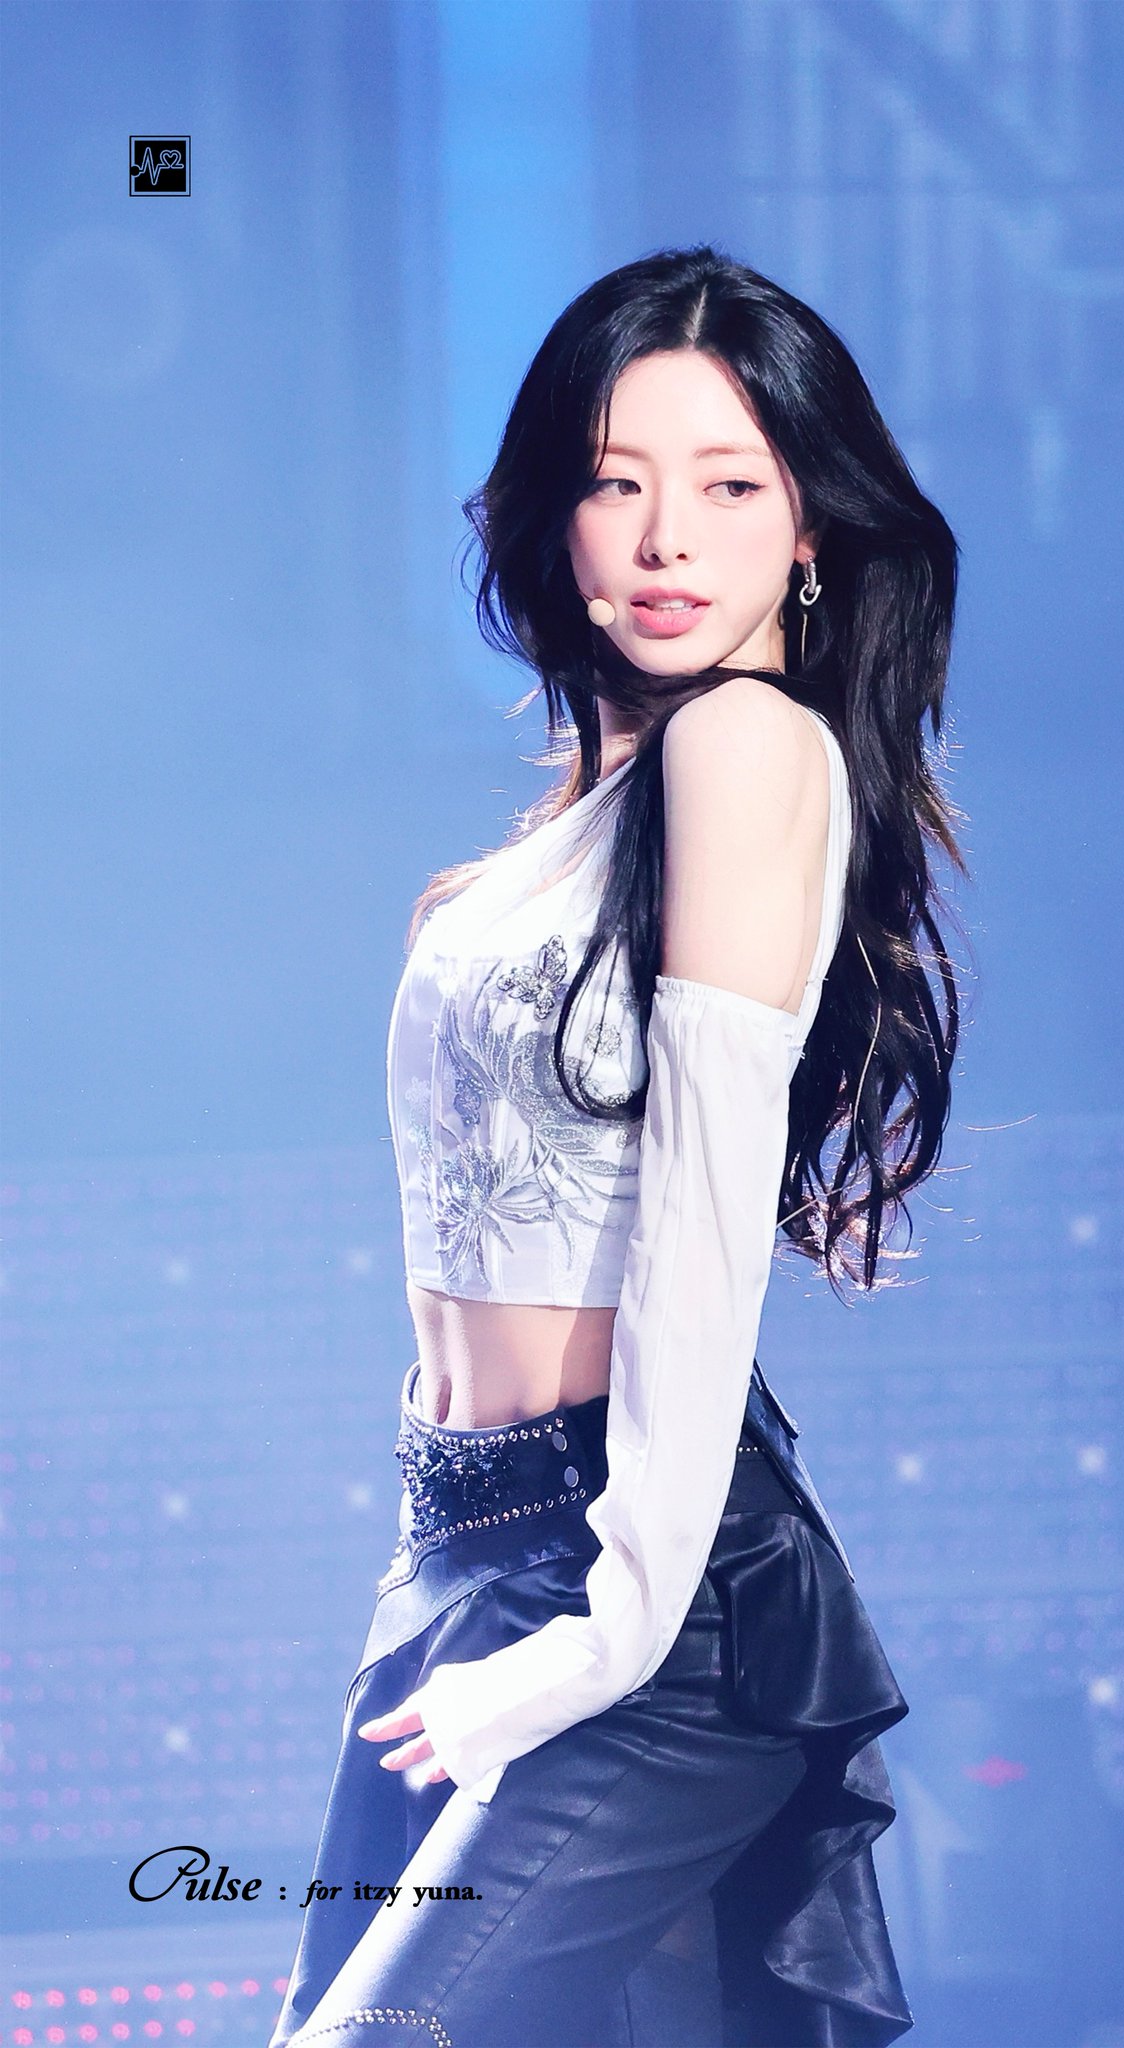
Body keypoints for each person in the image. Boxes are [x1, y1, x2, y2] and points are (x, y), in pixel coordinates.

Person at [268, 244, 965, 2048]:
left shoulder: (748, 746)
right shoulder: (584, 819)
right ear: (553, 516)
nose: (664, 540)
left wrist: (604, 1635)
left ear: (809, 527)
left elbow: (705, 1234)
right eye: (614, 482)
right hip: (462, 1548)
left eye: (728, 486)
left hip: (650, 1588)